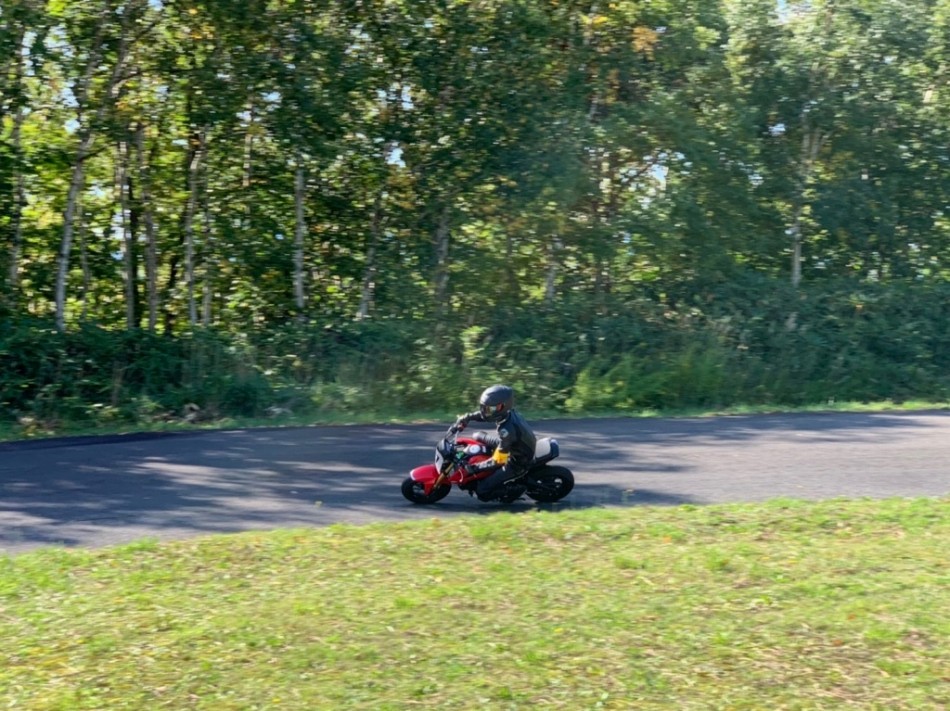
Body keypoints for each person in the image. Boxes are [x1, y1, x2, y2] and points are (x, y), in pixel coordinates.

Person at [454, 384, 537, 502]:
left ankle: (515, 490)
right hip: (511, 444)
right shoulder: (507, 414)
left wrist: (474, 468)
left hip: (517, 461)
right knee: (477, 435)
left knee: (482, 491)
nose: (485, 411)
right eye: (484, 407)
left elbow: (498, 461)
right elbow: (485, 415)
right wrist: (467, 417)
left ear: (502, 406)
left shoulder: (507, 430)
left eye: (489, 409)